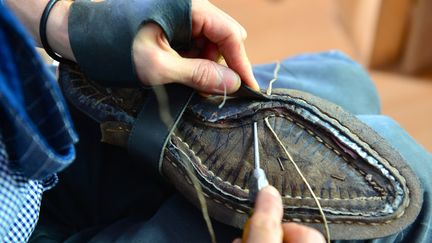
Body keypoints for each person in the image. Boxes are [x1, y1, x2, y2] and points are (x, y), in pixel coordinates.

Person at [1, 1, 431, 243]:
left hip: (29, 127)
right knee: (412, 197)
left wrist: (59, 19)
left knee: (346, 79)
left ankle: (161, 125)